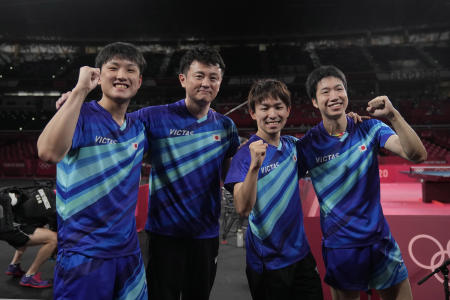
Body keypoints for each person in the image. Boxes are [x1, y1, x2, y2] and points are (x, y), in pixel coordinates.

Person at [297, 65, 427, 300]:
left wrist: (393, 115)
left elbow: (417, 155)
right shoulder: (308, 145)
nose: (334, 96)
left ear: (346, 93)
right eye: (325, 92)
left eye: (339, 89)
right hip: (341, 248)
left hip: (381, 242)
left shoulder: (369, 128)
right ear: (314, 102)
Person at [37, 42, 148, 300]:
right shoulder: (79, 114)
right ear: (98, 75)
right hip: (83, 253)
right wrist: (78, 91)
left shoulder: (139, 127)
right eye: (113, 68)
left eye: (130, 70)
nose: (122, 75)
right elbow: (48, 153)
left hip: (128, 253)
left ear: (139, 81)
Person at [129, 46, 240, 300]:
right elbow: (113, 121)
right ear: (183, 79)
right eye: (199, 75)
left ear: (220, 82)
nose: (206, 83)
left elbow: (231, 181)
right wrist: (78, 101)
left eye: (213, 77)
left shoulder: (226, 127)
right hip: (163, 235)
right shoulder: (153, 117)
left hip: (205, 236)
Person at [224, 79, 323, 300]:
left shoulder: (292, 146)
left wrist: (349, 121)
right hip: (267, 262)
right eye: (264, 108)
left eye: (278, 107)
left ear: (288, 110)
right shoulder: (243, 156)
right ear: (252, 113)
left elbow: (325, 137)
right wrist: (254, 167)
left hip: (301, 256)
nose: (272, 114)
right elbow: (242, 208)